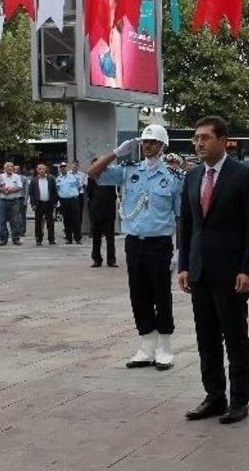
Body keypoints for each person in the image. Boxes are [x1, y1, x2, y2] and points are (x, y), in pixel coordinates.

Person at [178, 116, 249, 425]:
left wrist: (248, 270)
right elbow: (186, 227)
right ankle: (214, 395)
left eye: (205, 138)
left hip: (231, 272)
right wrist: (184, 265)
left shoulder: (245, 175)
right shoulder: (192, 177)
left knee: (235, 337)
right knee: (206, 338)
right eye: (196, 138)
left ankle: (239, 400)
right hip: (200, 271)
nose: (199, 143)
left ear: (223, 140)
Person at [91, 124, 182, 371]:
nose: (147, 145)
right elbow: (93, 173)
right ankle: (146, 344)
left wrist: (179, 252)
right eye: (144, 141)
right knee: (138, 293)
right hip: (135, 242)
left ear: (163, 145)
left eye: (152, 142)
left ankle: (165, 345)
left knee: (161, 294)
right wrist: (116, 153)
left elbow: (182, 217)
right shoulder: (129, 170)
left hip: (160, 243)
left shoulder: (173, 178)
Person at [86, 158, 118, 267]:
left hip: (109, 211)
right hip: (96, 211)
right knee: (96, 237)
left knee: (110, 238)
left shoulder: (110, 177)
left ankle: (111, 260)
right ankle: (96, 259)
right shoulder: (91, 178)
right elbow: (89, 195)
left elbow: (114, 195)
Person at [29, 163, 58, 246]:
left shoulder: (51, 179)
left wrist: (55, 202)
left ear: (46, 170)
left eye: (43, 169)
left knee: (50, 222)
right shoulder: (34, 180)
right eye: (39, 169)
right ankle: (38, 239)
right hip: (38, 204)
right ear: (37, 170)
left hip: (49, 204)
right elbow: (31, 194)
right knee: (38, 222)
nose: (41, 170)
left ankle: (51, 239)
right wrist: (33, 204)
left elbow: (54, 191)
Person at [0, 162, 24, 246]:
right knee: (2, 221)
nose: (9, 168)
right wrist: (3, 190)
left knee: (15, 221)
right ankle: (3, 239)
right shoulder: (0, 176)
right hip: (3, 201)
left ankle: (16, 239)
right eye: (7, 166)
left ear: (13, 168)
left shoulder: (17, 176)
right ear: (4, 168)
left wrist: (11, 190)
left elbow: (20, 187)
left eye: (11, 166)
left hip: (14, 201)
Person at [56, 162, 82, 244]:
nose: (63, 168)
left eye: (64, 167)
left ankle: (78, 238)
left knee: (76, 219)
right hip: (63, 201)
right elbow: (57, 189)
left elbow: (79, 186)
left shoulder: (73, 176)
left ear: (67, 168)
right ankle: (68, 238)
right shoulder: (58, 179)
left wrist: (73, 194)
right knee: (66, 220)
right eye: (61, 167)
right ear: (60, 169)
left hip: (73, 200)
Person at [15, 165, 29, 237]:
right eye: (15, 169)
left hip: (22, 198)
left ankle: (22, 230)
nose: (16, 170)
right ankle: (16, 230)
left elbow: (27, 190)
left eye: (17, 169)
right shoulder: (12, 178)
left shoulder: (24, 178)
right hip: (14, 199)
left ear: (20, 170)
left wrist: (26, 200)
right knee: (15, 216)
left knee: (22, 216)